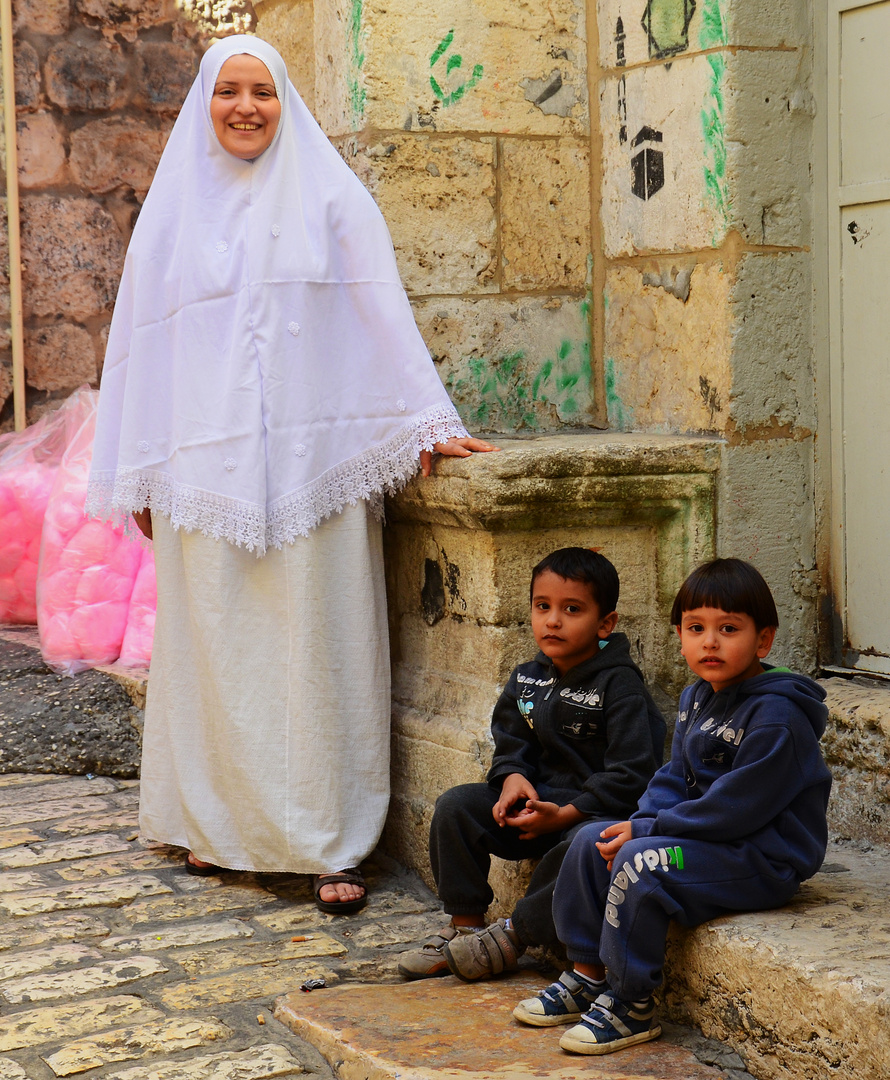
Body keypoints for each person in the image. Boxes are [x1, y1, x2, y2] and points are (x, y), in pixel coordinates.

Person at [86, 35, 496, 913]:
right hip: (204, 471)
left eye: (262, 92)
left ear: (285, 103)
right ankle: (217, 826)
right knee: (220, 655)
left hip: (319, 470)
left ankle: (329, 842)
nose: (245, 107)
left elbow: (379, 313)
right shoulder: (171, 218)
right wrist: (147, 474)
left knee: (322, 650)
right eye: (228, 91)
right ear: (204, 102)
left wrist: (427, 421)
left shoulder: (333, 199)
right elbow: (142, 353)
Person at [512, 558, 832, 1055]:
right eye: (696, 628)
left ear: (763, 641)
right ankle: (587, 974)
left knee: (641, 866)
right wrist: (639, 821)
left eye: (729, 629)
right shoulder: (696, 697)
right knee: (591, 838)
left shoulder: (779, 718)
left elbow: (738, 808)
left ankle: (631, 1002)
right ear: (679, 635)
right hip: (704, 842)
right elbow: (672, 778)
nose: (710, 642)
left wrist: (652, 831)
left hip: (760, 857)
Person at [397, 547, 666, 979]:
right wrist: (512, 778)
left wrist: (566, 814)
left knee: (587, 848)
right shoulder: (529, 676)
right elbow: (510, 738)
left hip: (590, 812)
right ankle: (465, 926)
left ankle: (512, 937)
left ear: (605, 623)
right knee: (456, 807)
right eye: (543, 606)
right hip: (535, 807)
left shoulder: (621, 687)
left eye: (571, 609)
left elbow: (634, 772)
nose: (553, 620)